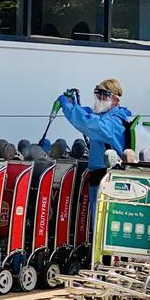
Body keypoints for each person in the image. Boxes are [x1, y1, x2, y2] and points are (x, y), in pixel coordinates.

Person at [57, 79, 132, 228]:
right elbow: (89, 115)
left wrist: (69, 107)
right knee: (97, 227)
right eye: (97, 95)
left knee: (103, 229)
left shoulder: (113, 123)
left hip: (108, 181)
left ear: (115, 100)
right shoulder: (106, 117)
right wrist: (75, 105)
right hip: (100, 180)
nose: (99, 99)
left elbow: (89, 123)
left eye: (104, 96)